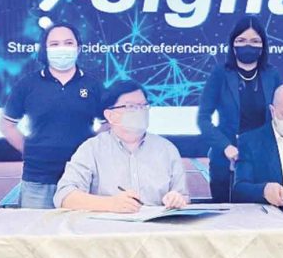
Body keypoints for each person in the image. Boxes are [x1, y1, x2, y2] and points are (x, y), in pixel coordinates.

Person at [0, 22, 103, 209]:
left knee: (79, 233)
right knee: (36, 234)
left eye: (68, 43)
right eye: (54, 44)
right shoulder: (27, 84)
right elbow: (7, 125)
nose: (62, 48)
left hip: (82, 177)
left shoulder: (93, 85)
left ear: (78, 48)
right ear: (45, 49)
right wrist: (30, 150)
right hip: (38, 178)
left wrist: (91, 149)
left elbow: (108, 123)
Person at [54, 80, 189, 212]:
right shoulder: (91, 149)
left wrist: (176, 199)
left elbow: (183, 197)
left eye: (144, 106)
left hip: (156, 230)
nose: (140, 111)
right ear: (110, 115)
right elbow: (64, 196)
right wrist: (110, 204)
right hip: (107, 230)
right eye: (131, 107)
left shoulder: (167, 149)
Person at [197, 16, 281, 203]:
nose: (248, 45)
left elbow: (280, 115)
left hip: (262, 158)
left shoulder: (272, 74)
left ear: (262, 46)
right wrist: (226, 147)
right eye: (241, 40)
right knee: (226, 218)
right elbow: (203, 118)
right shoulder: (220, 73)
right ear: (233, 44)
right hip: (226, 158)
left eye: (254, 41)